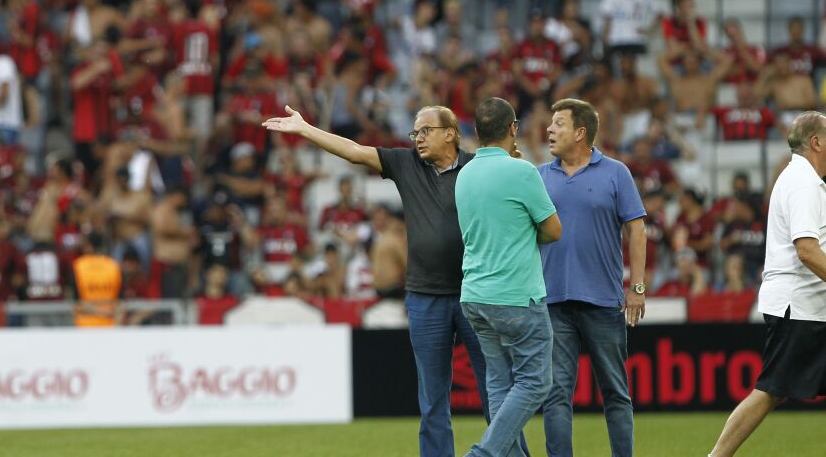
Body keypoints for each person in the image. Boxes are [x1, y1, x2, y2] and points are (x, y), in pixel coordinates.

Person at [262, 104, 496, 457]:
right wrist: (306, 129)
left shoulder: (479, 168)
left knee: (496, 393)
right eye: (414, 132)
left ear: (450, 133)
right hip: (425, 298)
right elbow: (355, 152)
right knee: (433, 401)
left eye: (425, 131)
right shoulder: (406, 164)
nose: (417, 138)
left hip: (475, 294)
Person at [709, 112, 826, 457]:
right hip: (799, 305)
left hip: (808, 304)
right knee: (771, 390)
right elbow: (806, 250)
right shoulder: (804, 185)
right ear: (817, 142)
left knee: (772, 390)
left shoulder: (801, 180)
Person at [539, 98, 648, 457]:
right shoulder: (539, 175)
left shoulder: (616, 172)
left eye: (558, 123)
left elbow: (637, 229)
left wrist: (637, 288)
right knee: (556, 395)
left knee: (616, 392)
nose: (550, 130)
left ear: (580, 132)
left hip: (603, 300)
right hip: (552, 301)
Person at [456, 97, 561, 457]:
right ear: (513, 129)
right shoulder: (523, 171)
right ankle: (482, 455)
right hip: (516, 295)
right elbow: (553, 230)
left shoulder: (464, 173)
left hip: (474, 295)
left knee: (499, 384)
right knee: (535, 382)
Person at [72, 231, 122, 327]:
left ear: (88, 247)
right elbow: (120, 302)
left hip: (84, 326)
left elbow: (76, 301)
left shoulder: (77, 266)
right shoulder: (114, 265)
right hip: (110, 325)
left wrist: (100, 313)